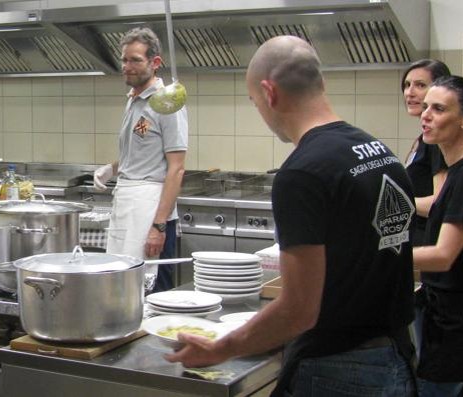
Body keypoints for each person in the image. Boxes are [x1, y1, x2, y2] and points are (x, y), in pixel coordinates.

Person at [165, 36, 416, 396]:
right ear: (321, 83)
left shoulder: (303, 173)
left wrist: (222, 348)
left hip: (339, 370)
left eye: (255, 102)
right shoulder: (379, 152)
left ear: (269, 93)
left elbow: (299, 311)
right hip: (396, 356)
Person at [92, 27, 187, 292]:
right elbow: (137, 152)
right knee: (120, 283)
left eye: (135, 60)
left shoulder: (167, 104)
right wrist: (111, 169)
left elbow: (176, 169)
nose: (127, 66)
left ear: (155, 63)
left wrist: (158, 226)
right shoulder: (134, 100)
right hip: (125, 201)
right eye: (124, 60)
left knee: (149, 287)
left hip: (150, 207)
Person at [411, 75, 463, 396]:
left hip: (459, 327)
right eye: (426, 107)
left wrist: (369, 256)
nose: (426, 115)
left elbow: (443, 256)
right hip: (462, 322)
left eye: (438, 109)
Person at [402, 59, 451, 245]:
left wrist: (400, 204)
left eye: (420, 85)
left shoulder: (436, 141)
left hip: (429, 239)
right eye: (407, 85)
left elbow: (439, 202)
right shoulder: (424, 138)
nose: (410, 92)